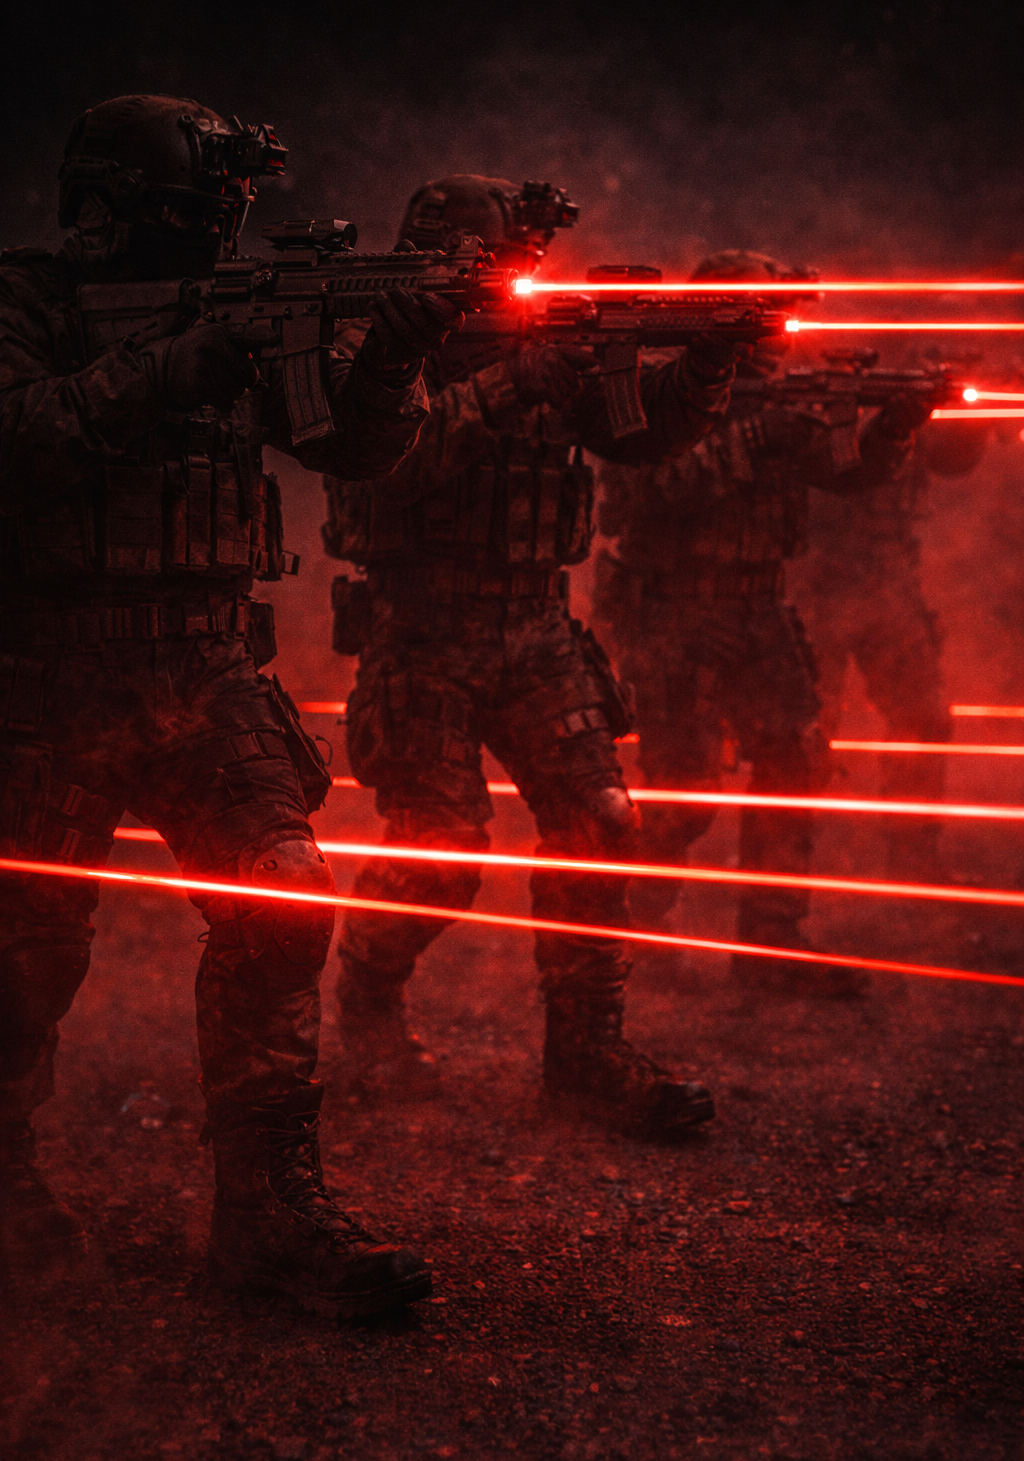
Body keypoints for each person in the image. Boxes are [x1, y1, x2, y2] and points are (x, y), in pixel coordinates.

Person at [0, 95, 460, 1320]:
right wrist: (161, 371)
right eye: (180, 220)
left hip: (204, 673)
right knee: (22, 960)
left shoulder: (234, 316)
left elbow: (354, 455)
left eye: (220, 220)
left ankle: (267, 1221)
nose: (207, 246)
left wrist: (400, 352)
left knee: (282, 905)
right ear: (101, 213)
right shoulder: (28, 304)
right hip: (43, 677)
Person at [323, 175, 737, 1135]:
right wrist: (506, 388)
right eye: (498, 261)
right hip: (420, 630)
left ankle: (586, 1056)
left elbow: (646, 439)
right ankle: (369, 1002)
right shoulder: (379, 345)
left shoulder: (550, 338)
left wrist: (706, 362)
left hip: (536, 628)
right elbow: (378, 481)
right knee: (444, 853)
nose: (519, 280)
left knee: (599, 820)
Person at [592, 251, 930, 998]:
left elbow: (844, 474)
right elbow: (653, 492)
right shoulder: (657, 392)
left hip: (758, 605)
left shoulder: (779, 397)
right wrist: (755, 439)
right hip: (676, 609)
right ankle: (627, 933)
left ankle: (772, 942)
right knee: (685, 792)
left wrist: (893, 431)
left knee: (794, 762)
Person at [794, 420, 987, 882]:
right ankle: (782, 888)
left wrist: (963, 417)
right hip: (812, 569)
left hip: (886, 572)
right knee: (803, 736)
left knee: (923, 716)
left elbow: (953, 458)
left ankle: (913, 860)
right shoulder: (805, 362)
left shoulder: (906, 356)